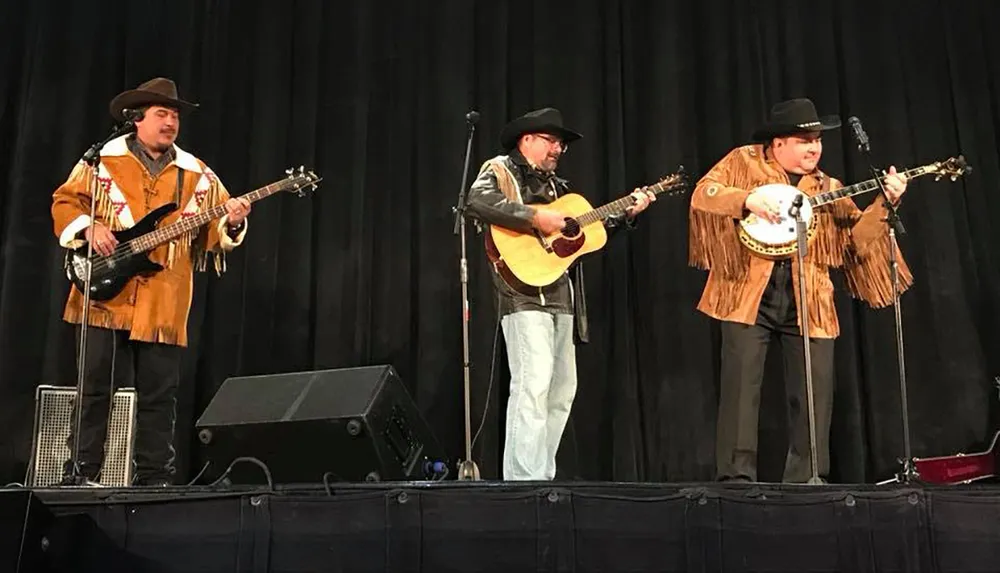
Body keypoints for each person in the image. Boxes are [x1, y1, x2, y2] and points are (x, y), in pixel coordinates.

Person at [688, 98, 911, 483]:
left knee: (814, 395)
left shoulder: (828, 186)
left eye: (817, 140)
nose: (814, 147)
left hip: (810, 299)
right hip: (745, 293)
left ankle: (807, 482)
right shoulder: (744, 161)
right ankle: (736, 481)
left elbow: (855, 243)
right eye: (803, 139)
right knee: (741, 393)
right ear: (777, 143)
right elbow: (702, 194)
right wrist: (746, 199)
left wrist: (884, 203)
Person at [51, 77, 251, 486]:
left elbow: (211, 233)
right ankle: (80, 475)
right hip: (105, 293)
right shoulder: (101, 160)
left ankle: (154, 478)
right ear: (137, 120)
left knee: (160, 396)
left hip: (164, 296)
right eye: (162, 114)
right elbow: (66, 201)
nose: (170, 123)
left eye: (175, 116)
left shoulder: (197, 174)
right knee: (94, 391)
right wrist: (89, 227)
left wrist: (232, 221)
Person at [466, 107, 655, 480]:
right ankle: (522, 480)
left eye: (561, 145)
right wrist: (536, 218)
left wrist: (627, 213)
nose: (557, 150)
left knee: (562, 389)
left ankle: (541, 475)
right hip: (520, 291)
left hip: (559, 292)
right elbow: (477, 201)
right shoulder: (500, 169)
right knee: (532, 382)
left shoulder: (559, 189)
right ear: (527, 140)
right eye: (552, 141)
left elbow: (585, 237)